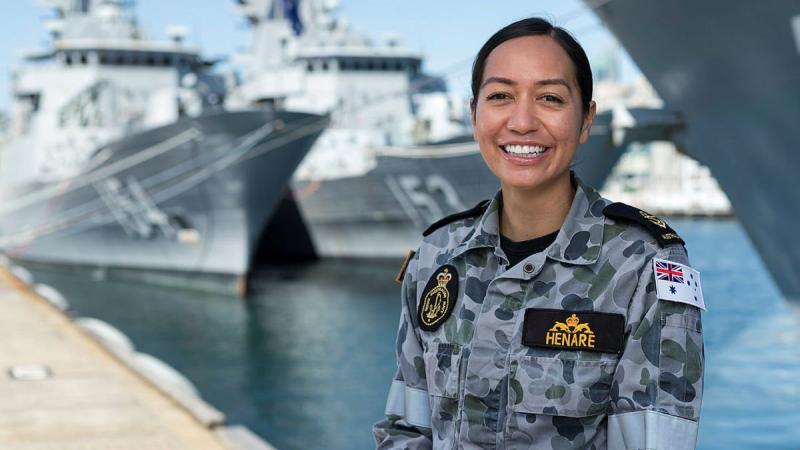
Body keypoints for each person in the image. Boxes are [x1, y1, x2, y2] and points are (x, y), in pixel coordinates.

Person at [373, 17, 705, 450]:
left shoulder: (643, 265)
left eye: (550, 97)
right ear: (474, 115)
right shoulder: (438, 255)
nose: (523, 121)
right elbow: (406, 428)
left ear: (585, 120)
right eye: (500, 96)